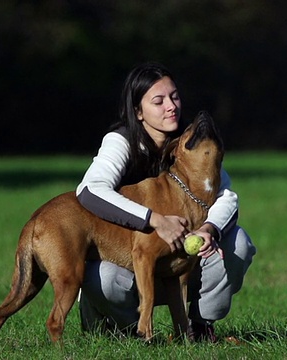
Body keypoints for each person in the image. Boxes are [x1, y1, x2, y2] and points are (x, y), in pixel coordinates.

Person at [75, 62, 256, 342]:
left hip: (173, 265)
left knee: (238, 244)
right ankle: (123, 330)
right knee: (107, 278)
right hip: (123, 263)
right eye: (158, 101)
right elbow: (89, 191)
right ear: (138, 112)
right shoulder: (120, 142)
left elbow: (226, 196)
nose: (170, 106)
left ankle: (199, 328)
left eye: (174, 96)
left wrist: (209, 229)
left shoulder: (190, 140)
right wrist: (155, 220)